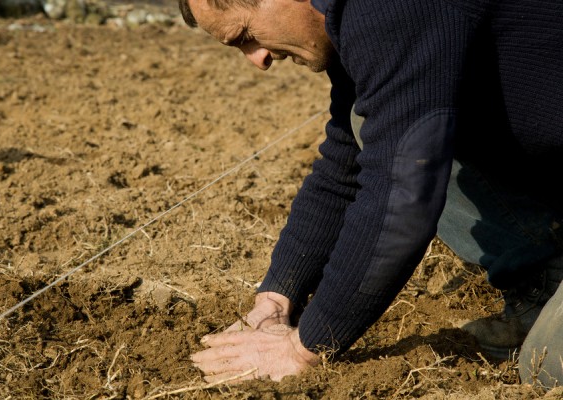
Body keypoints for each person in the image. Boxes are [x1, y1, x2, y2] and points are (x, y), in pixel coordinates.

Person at [178, 0, 563, 387]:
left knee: (551, 366)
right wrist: (278, 298)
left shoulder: (386, 8)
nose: (257, 59)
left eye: (246, 36)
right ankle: (546, 272)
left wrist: (303, 348)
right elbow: (347, 163)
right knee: (379, 125)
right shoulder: (354, 22)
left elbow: (402, 193)